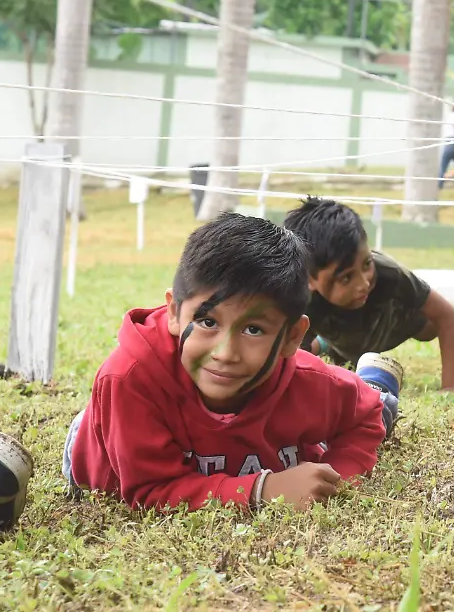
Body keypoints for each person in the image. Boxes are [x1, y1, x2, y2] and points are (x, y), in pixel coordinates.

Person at [61, 214, 392, 512]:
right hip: (106, 441)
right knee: (97, 420)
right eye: (207, 322)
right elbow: (150, 490)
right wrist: (264, 490)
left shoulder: (308, 380)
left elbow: (364, 417)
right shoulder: (129, 380)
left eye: (253, 329)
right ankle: (90, 419)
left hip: (262, 435)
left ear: (293, 337)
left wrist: (333, 478)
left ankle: (376, 384)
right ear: (174, 313)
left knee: (378, 406)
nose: (225, 353)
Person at [284, 197, 454, 392]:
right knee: (313, 351)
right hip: (346, 340)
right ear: (310, 280)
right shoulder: (299, 299)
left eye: (367, 264)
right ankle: (326, 344)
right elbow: (293, 357)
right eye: (346, 278)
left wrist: (451, 388)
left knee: (428, 328)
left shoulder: (390, 274)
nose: (364, 283)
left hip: (394, 321)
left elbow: (446, 315)